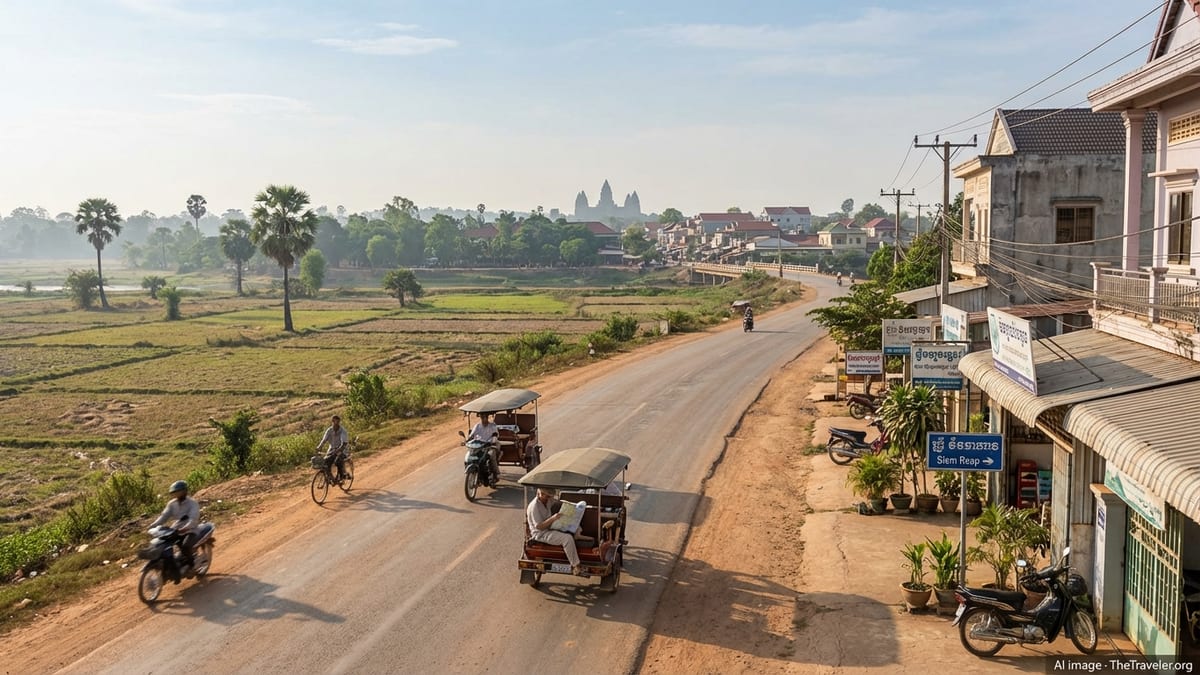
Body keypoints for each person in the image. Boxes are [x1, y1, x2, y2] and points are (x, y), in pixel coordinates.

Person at [526, 487, 584, 575]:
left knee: (575, 524)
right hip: (541, 533)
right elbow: (539, 527)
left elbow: (557, 502)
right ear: (540, 494)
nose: (549, 498)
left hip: (551, 527)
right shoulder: (534, 506)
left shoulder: (548, 500)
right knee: (567, 539)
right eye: (547, 496)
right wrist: (553, 518)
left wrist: (571, 507)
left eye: (550, 496)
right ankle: (576, 565)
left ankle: (577, 535)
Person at [149, 480, 200, 568]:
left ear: (185, 491)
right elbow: (164, 516)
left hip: (191, 529)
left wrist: (185, 528)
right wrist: (153, 525)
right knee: (164, 543)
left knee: (185, 546)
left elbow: (193, 519)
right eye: (175, 493)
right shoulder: (172, 504)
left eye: (179, 492)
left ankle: (192, 565)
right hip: (176, 528)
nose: (177, 495)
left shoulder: (192, 503)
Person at [468, 412, 500, 486]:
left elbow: (495, 435)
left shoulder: (492, 426)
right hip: (479, 446)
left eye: (485, 417)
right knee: (472, 455)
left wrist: (492, 441)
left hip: (490, 445)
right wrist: (467, 440)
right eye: (482, 417)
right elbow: (471, 435)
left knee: (491, 455)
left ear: (487, 417)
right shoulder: (477, 426)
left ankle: (496, 473)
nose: (483, 419)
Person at [317, 414, 351, 483]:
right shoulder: (329, 430)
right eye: (335, 422)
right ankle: (330, 477)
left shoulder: (342, 431)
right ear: (332, 422)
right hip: (332, 449)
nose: (336, 424)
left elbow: (344, 443)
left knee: (338, 461)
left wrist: (339, 449)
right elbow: (324, 440)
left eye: (338, 422)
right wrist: (319, 447)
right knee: (326, 462)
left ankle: (342, 475)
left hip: (342, 450)